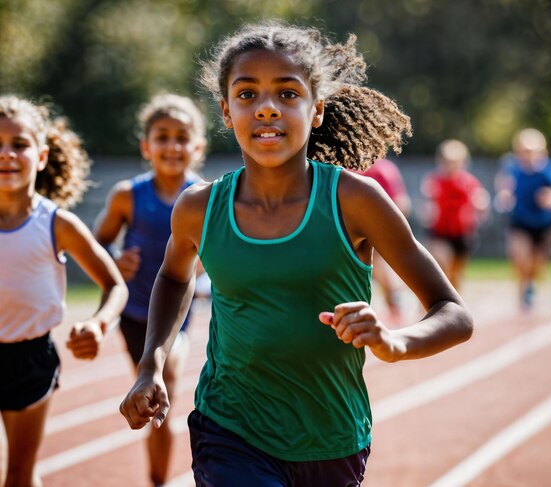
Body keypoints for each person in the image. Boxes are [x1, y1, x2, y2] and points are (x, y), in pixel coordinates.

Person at [119, 21, 473, 487]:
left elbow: (454, 314)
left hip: (332, 437)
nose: (266, 109)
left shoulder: (356, 201)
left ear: (317, 109)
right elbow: (174, 276)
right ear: (226, 112)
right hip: (230, 428)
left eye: (287, 94)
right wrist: (151, 365)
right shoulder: (198, 208)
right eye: (247, 95)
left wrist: (393, 342)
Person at [0, 95, 128, 487]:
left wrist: (97, 323)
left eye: (19, 145)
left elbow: (114, 285)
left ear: (40, 157)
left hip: (30, 357)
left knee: (19, 474)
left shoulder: (58, 224)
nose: (6, 154)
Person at [93, 93, 207, 486]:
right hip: (135, 314)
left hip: (178, 315)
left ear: (197, 146)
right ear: (146, 146)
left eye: (181, 137)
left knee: (165, 379)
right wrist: (115, 259)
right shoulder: (128, 194)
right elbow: (98, 245)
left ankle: (157, 481)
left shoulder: (204, 196)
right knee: (152, 392)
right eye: (162, 137)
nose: (172, 146)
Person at [494, 128, 551, 310]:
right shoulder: (513, 169)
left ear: (541, 151)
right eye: (523, 150)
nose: (527, 154)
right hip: (520, 223)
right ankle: (523, 291)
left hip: (544, 225)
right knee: (520, 257)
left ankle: (530, 285)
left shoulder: (548, 171)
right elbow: (503, 185)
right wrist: (504, 195)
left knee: (537, 265)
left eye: (531, 150)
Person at [420, 139, 489, 289]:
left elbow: (480, 199)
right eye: (446, 162)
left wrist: (481, 207)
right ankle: (431, 301)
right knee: (441, 264)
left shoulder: (469, 182)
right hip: (440, 233)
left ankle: (452, 303)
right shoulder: (435, 181)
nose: (450, 166)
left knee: (455, 275)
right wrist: (427, 212)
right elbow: (428, 202)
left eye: (454, 162)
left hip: (462, 233)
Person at [360, 158, 411, 318]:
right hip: (362, 230)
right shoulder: (381, 168)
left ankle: (397, 303)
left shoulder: (381, 170)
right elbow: (402, 203)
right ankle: (395, 303)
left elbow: (400, 203)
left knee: (380, 267)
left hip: (374, 231)